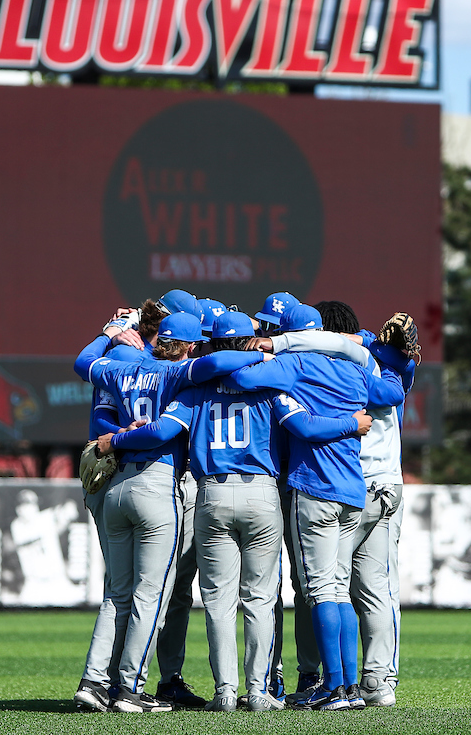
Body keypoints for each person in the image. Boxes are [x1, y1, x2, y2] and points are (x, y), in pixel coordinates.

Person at [100, 311, 372, 711]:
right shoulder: (269, 386)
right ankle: (259, 691)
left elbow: (163, 430)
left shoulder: (198, 388)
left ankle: (225, 692)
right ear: (251, 341)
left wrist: (117, 438)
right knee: (260, 598)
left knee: (218, 601)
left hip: (211, 493)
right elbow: (305, 425)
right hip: (262, 494)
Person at [71, 311, 266, 713]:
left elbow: (83, 362)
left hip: (116, 486)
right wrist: (262, 355)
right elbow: (214, 367)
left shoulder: (126, 365)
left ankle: (93, 681)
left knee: (116, 594)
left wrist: (107, 333)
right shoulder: (178, 375)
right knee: (151, 594)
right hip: (156, 485)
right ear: (190, 347)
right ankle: (129, 689)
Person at [223, 304, 405, 711]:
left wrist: (262, 351)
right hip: (353, 491)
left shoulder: (294, 366)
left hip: (315, 488)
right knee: (340, 589)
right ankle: (350, 687)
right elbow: (392, 392)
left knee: (321, 588)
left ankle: (334, 687)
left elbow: (238, 376)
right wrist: (397, 360)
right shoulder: (358, 370)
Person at [10, 489, 85, 606]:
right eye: (26, 505)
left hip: (57, 582)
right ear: (18, 509)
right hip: (33, 585)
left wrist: (69, 508)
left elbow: (69, 511)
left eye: (33, 504)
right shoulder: (17, 526)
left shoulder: (45, 518)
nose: (31, 508)